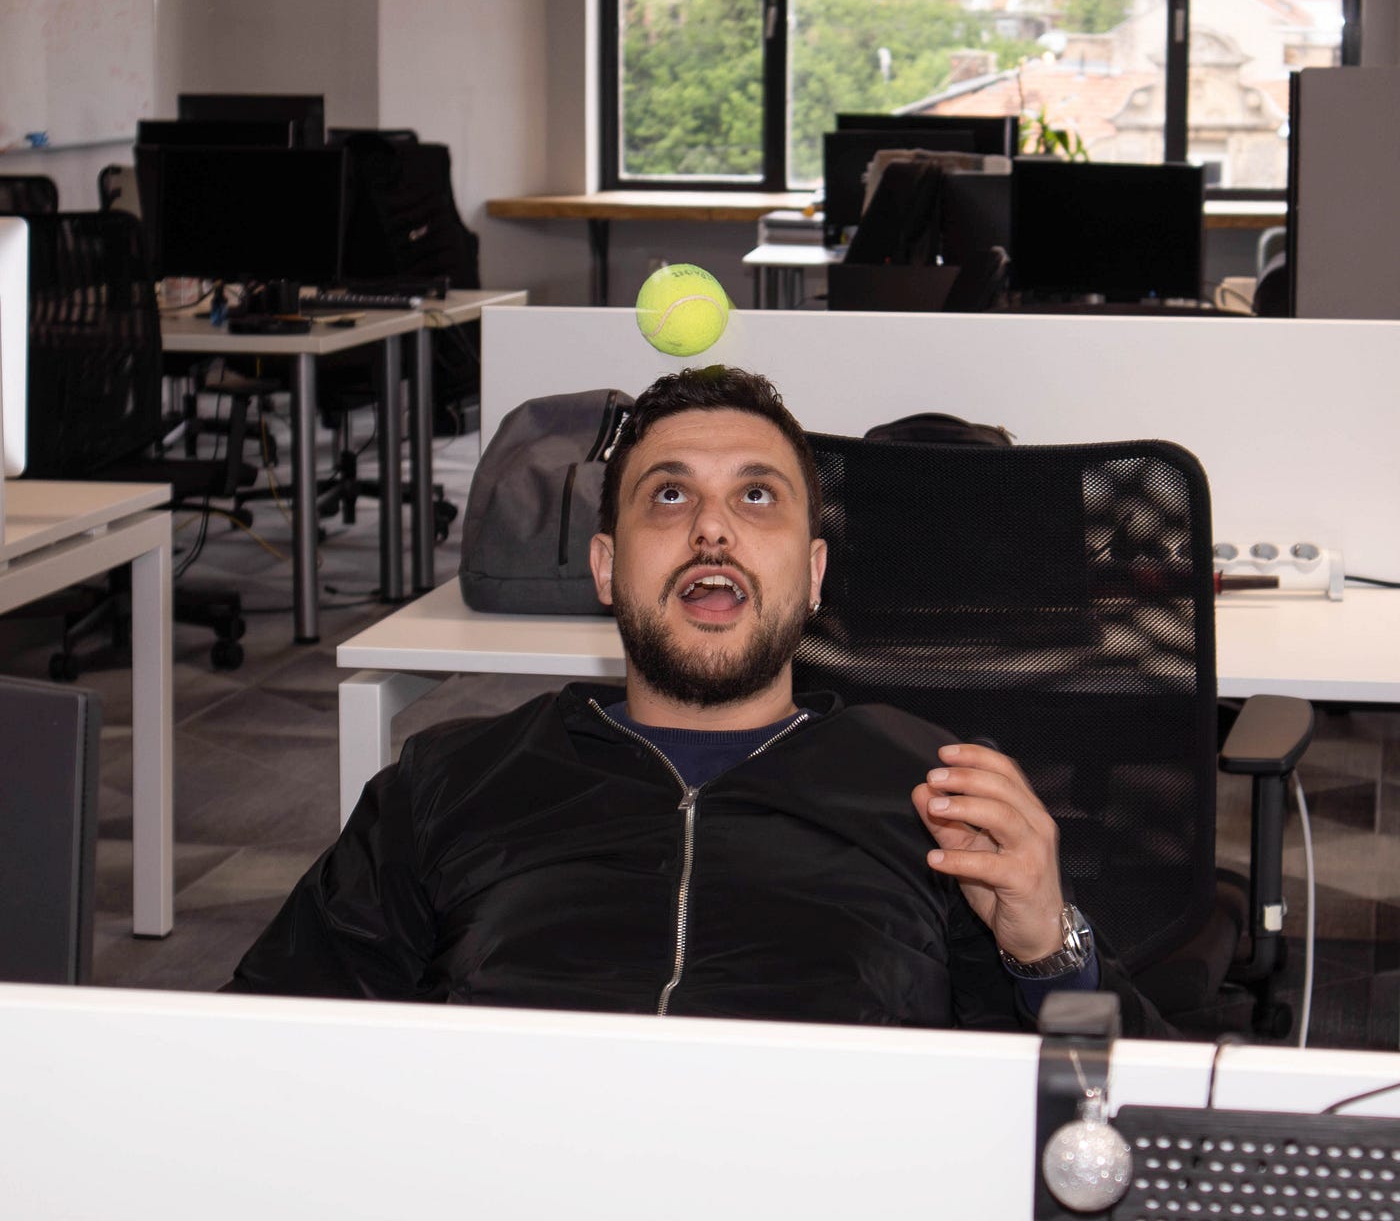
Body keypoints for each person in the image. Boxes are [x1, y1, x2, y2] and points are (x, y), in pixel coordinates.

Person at [229, 365, 1167, 1037]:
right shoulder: (452, 780)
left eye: (758, 497)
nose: (712, 527)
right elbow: (252, 1045)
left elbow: (1113, 1123)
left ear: (811, 576)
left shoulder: (935, 795)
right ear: (605, 568)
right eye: (668, 496)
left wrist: (1050, 949)